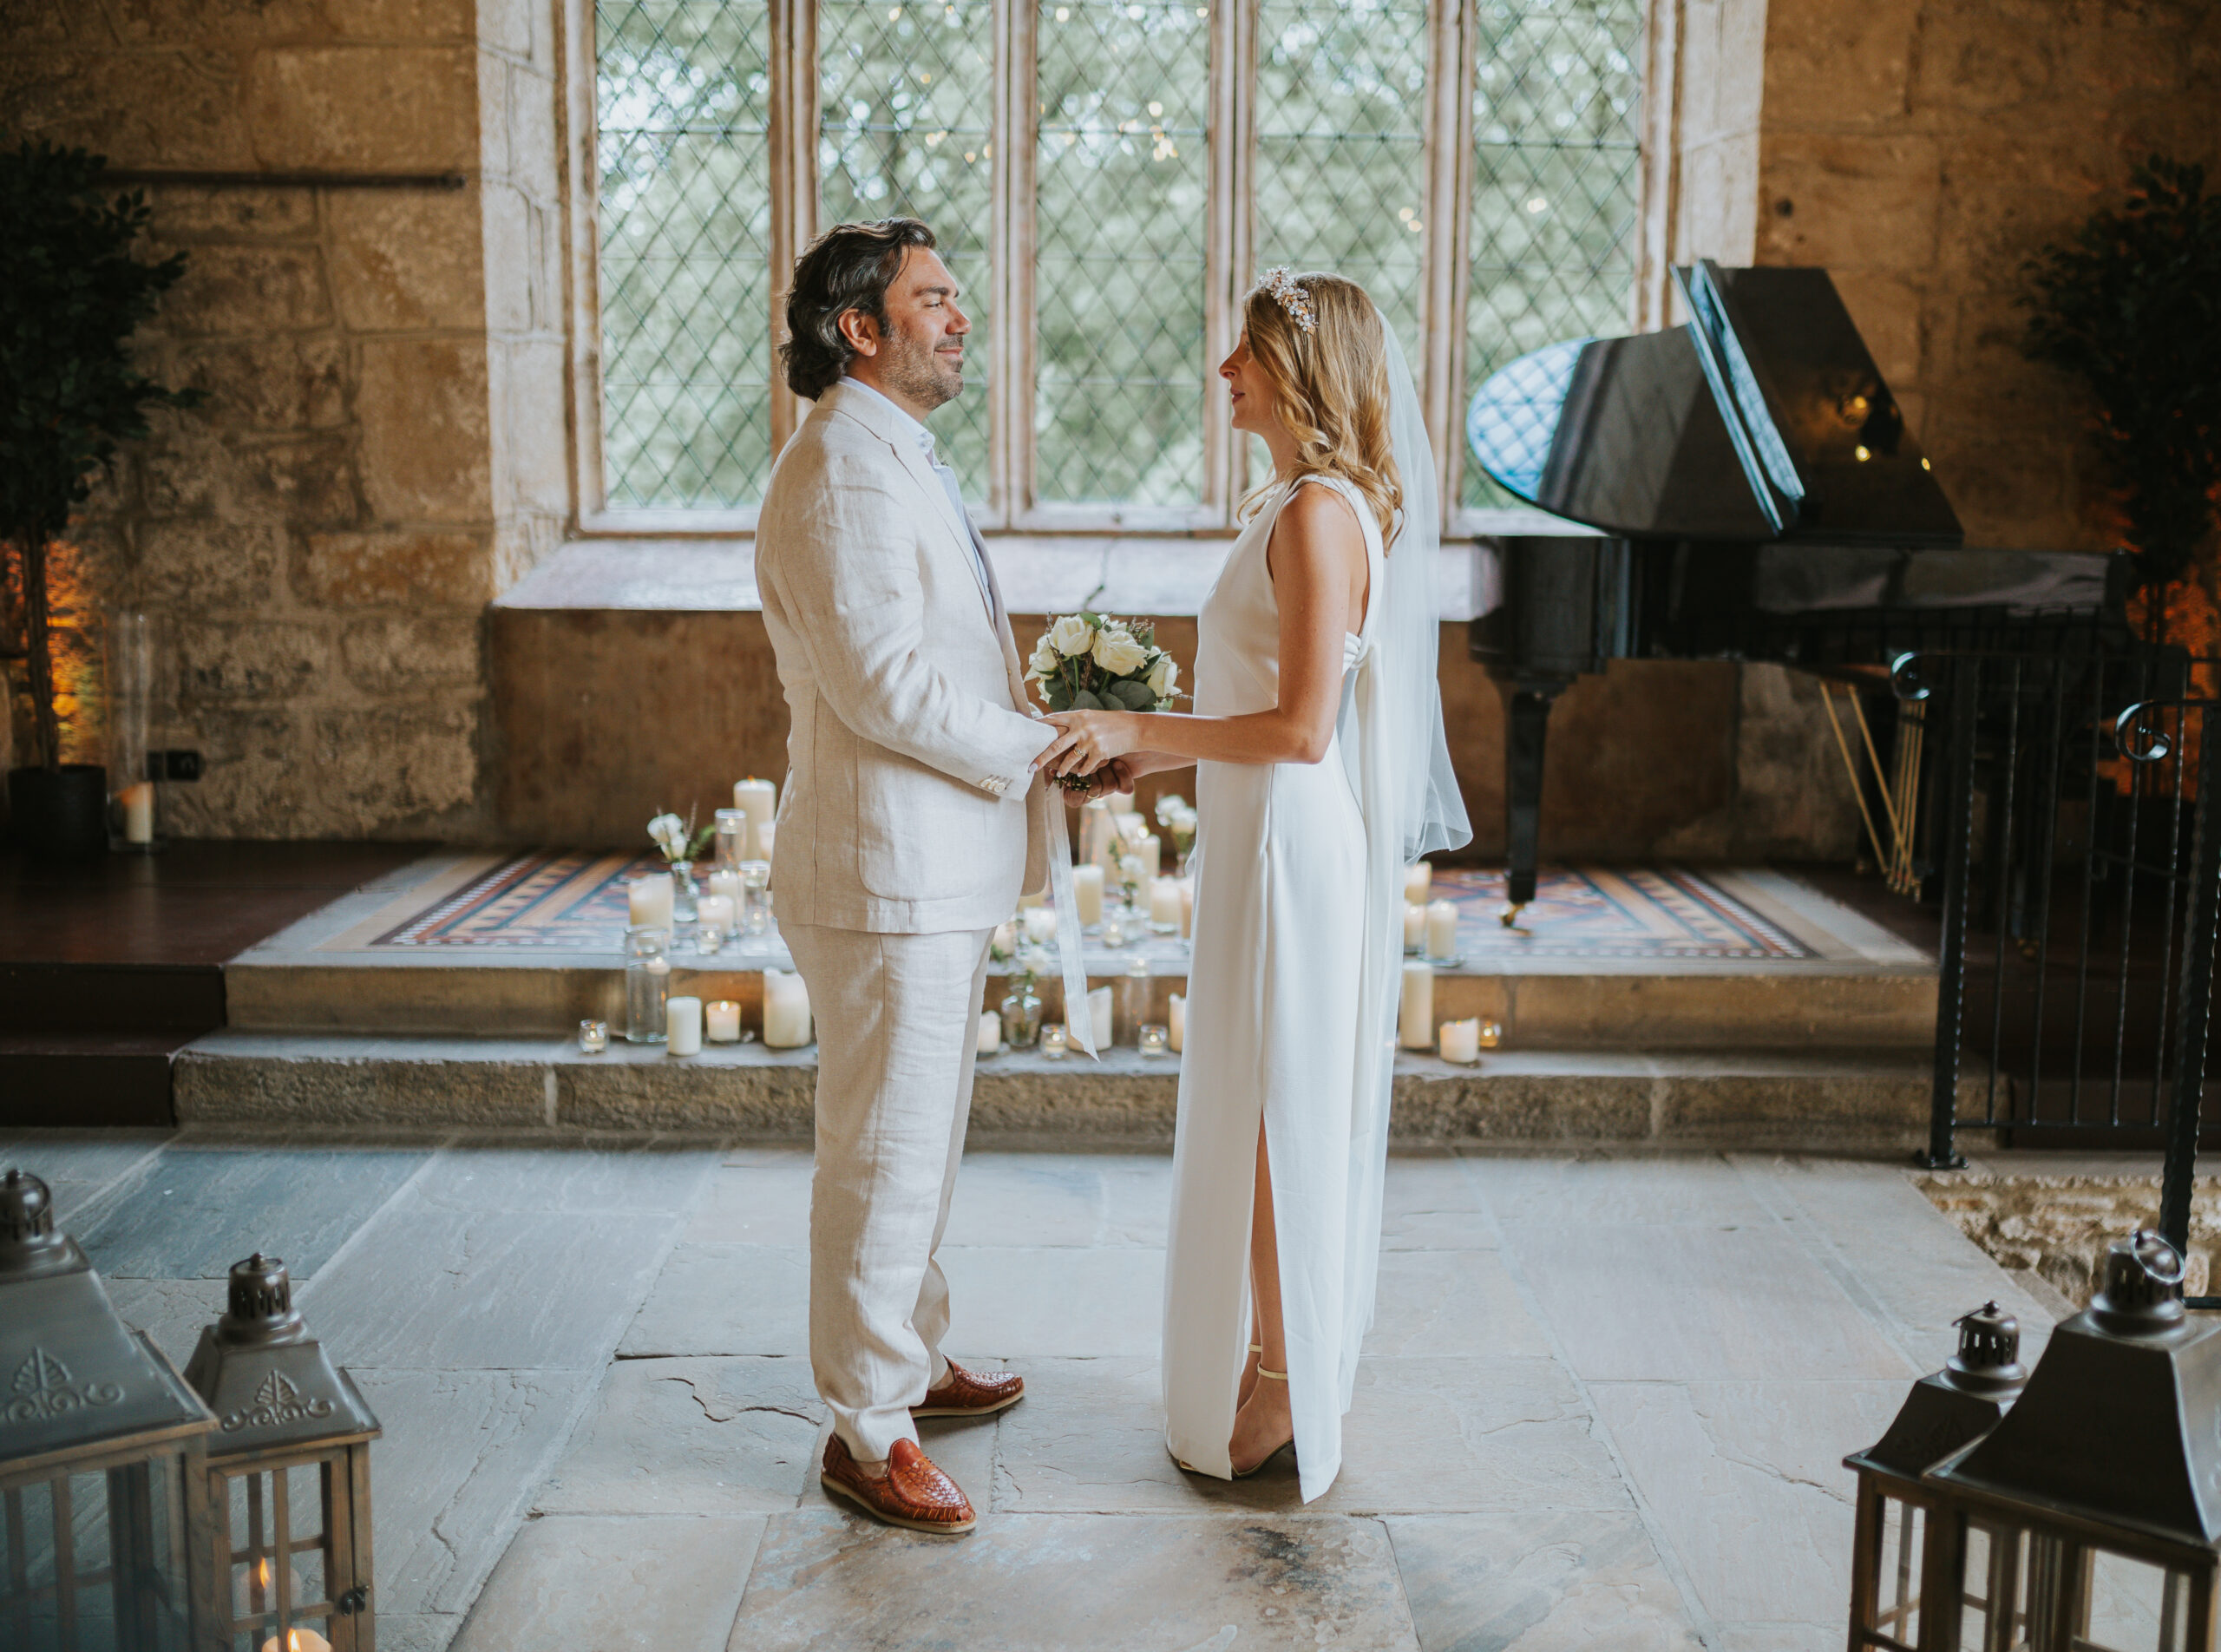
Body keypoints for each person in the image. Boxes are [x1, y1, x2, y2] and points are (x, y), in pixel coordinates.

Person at [1036, 270, 1469, 1498]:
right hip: (1254, 833)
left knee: (1280, 1110)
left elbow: (1298, 731)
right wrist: (1146, 748)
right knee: (1257, 1094)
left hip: (1292, 840)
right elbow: (1256, 716)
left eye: (1248, 350)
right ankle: (1275, 1357)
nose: (1225, 368)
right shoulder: (1291, 502)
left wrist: (1136, 734)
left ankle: (1286, 1379)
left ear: (1302, 371)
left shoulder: (1321, 515)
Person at [754, 218, 1125, 1535]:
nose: (960, 319)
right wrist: (1051, 748)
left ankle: (909, 1356)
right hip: (881, 873)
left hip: (928, 866)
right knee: (881, 1155)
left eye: (960, 298)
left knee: (922, 1141)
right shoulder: (843, 470)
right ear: (859, 330)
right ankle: (867, 1430)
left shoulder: (888, 454)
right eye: (933, 300)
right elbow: (886, 688)